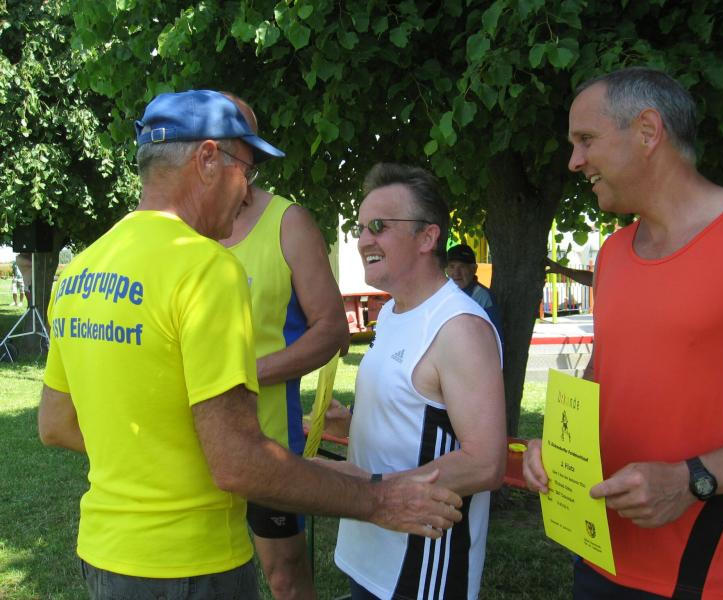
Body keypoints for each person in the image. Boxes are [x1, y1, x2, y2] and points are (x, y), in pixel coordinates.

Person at [37, 90, 463, 600]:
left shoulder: (82, 269)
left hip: (104, 556)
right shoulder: (207, 268)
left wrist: (156, 453)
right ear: (208, 158)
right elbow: (237, 462)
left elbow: (56, 423)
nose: (247, 193)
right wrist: (378, 499)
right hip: (192, 565)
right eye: (246, 169)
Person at [523, 67, 723, 599]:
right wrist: (557, 446)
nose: (574, 161)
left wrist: (695, 480)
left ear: (648, 131)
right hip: (601, 559)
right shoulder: (613, 253)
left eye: (586, 140)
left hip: (720, 575)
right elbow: (604, 383)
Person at [332, 163, 507, 600]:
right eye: (360, 228)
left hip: (420, 565)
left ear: (428, 237)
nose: (363, 240)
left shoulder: (460, 327)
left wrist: (372, 493)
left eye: (379, 226)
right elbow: (413, 418)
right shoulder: (393, 311)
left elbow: (486, 463)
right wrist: (351, 423)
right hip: (367, 549)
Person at [219, 97, 350, 600]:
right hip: (190, 440)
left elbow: (332, 330)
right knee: (205, 574)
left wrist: (244, 374)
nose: (248, 163)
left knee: (284, 578)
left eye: (251, 153)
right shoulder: (180, 227)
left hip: (268, 440)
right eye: (241, 150)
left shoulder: (287, 221)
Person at [445, 243, 503, 337]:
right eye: (452, 266)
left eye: (462, 266)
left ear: (474, 269)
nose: (456, 272)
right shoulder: (441, 294)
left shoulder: (482, 297)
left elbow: (494, 336)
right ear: (446, 269)